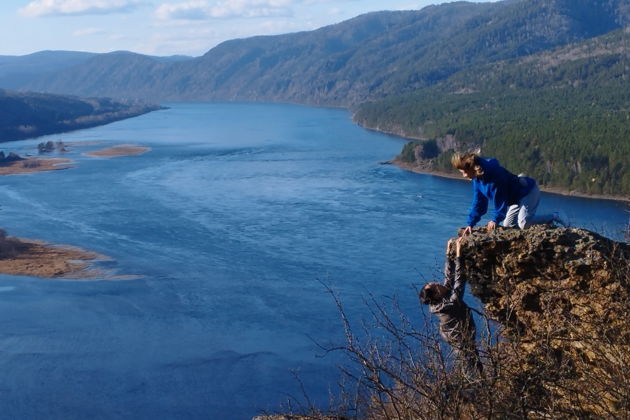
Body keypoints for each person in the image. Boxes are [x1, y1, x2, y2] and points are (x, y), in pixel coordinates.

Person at [451, 152, 568, 235]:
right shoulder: (478, 179)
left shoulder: (495, 177)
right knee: (508, 226)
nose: (464, 176)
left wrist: (495, 220)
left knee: (524, 223)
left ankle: (555, 215)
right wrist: (471, 224)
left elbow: (500, 201)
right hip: (514, 199)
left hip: (528, 191)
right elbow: (479, 203)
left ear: (473, 168)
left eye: (464, 172)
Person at [419, 239, 483, 381]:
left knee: (473, 359)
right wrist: (459, 256)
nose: (437, 283)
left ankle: (480, 384)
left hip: (457, 334)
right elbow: (459, 280)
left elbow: (449, 278)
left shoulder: (441, 298)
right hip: (459, 338)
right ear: (436, 294)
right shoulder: (451, 303)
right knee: (469, 364)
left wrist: (449, 253)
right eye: (434, 286)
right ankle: (477, 389)